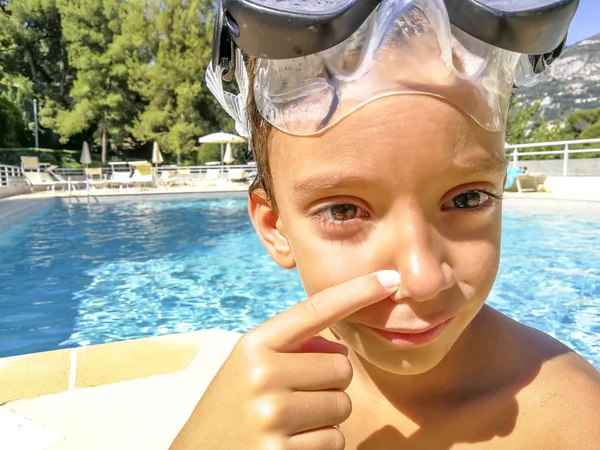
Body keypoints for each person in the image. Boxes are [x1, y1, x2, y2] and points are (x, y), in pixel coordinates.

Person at [172, 1, 600, 448]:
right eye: (343, 211)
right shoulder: (243, 411)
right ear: (275, 227)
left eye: (468, 198)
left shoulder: (574, 423)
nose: (422, 278)